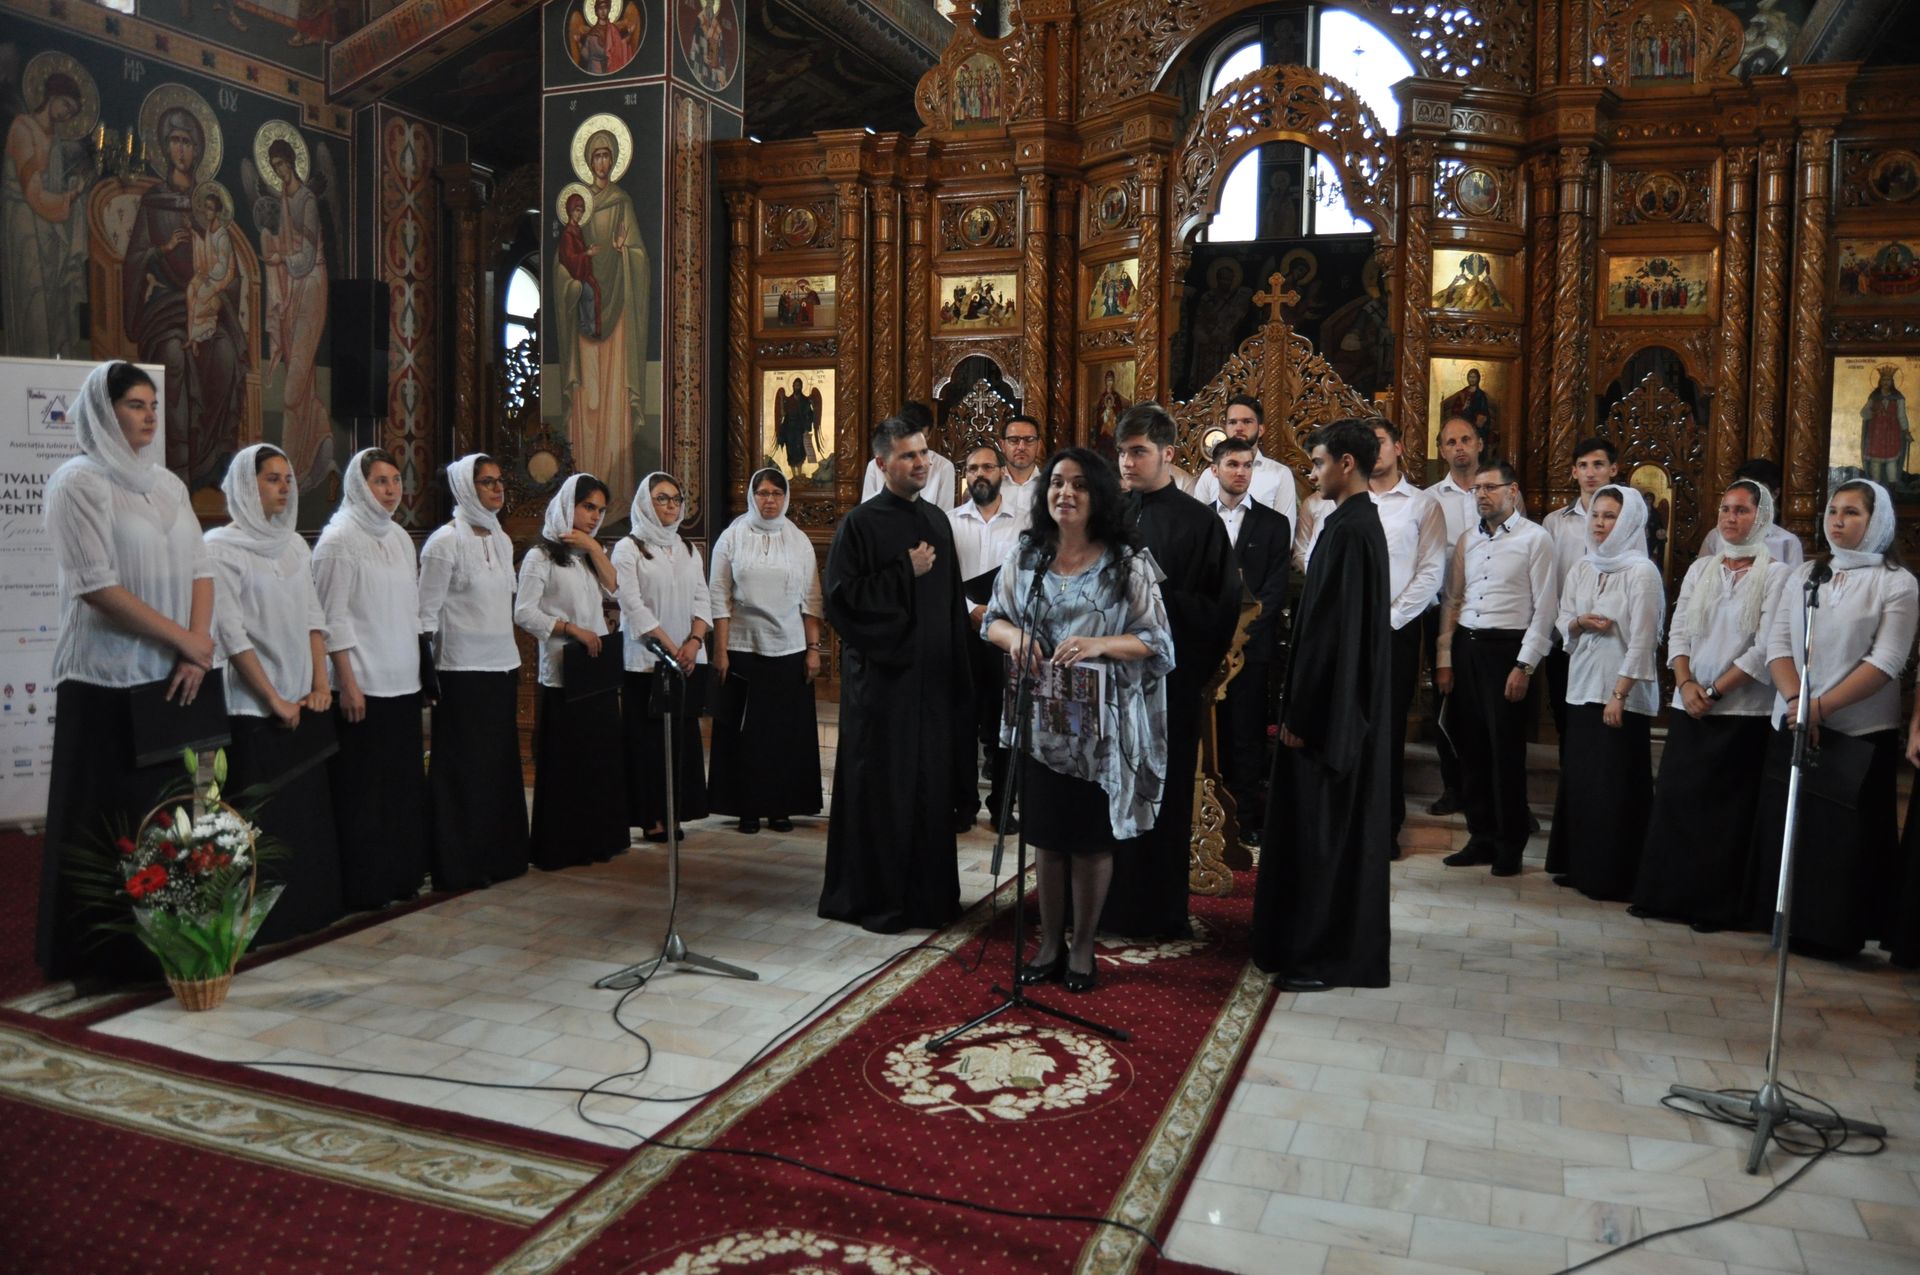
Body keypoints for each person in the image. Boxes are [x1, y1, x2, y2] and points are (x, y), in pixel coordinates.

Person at [38, 362, 216, 982]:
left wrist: (194, 645)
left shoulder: (166, 484)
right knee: (103, 820)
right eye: (135, 404)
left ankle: (159, 944)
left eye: (152, 404)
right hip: (104, 679)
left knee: (161, 818)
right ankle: (98, 958)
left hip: (167, 676)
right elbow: (97, 588)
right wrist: (189, 643)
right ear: (102, 411)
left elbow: (201, 567)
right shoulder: (76, 483)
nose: (148, 415)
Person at [984, 449, 1173, 993]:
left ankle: (1084, 946)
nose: (1065, 494)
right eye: (1057, 484)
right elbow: (992, 620)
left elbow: (1157, 641)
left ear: (1099, 497)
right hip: (1041, 720)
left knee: (1090, 840)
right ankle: (1047, 943)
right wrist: (1016, 637)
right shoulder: (1028, 555)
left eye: (1079, 486)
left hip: (1101, 726)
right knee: (1046, 835)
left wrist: (1099, 643)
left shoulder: (1126, 561)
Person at [1746, 479, 1919, 962]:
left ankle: (1838, 932)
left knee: (1843, 842)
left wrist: (1820, 708)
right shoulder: (1805, 574)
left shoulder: (1896, 583)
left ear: (1877, 521)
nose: (1838, 520)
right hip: (1797, 720)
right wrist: (1799, 701)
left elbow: (1886, 663)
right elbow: (1778, 643)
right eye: (1833, 511)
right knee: (1795, 828)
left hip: (1859, 730)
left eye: (1852, 513)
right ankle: (1787, 921)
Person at [1253, 419, 1392, 991]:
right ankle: (1307, 945)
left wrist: (1303, 719)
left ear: (1347, 465)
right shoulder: (1351, 524)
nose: (1313, 474)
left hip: (1328, 717)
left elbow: (1333, 636)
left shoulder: (1351, 531)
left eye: (1318, 464)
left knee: (1322, 836)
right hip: (1331, 709)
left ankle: (1319, 955)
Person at [819, 417, 971, 933]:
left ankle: (930, 901)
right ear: (883, 464)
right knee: (884, 791)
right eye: (909, 456)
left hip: (931, 687)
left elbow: (951, 605)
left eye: (924, 453)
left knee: (929, 788)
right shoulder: (860, 524)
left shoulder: (937, 521)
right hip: (883, 689)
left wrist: (957, 672)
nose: (921, 463)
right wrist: (903, 572)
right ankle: (876, 898)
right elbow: (842, 602)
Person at [1632, 480, 1790, 930]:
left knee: (1725, 814)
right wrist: (1685, 684)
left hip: (1742, 711)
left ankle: (1712, 906)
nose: (1730, 518)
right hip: (1690, 704)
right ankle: (1665, 896)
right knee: (1679, 804)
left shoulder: (1777, 574)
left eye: (1741, 510)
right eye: (1724, 509)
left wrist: (1716, 690)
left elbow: (1765, 647)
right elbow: (1679, 631)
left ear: (1760, 517)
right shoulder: (1703, 568)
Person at [1109, 403, 1240, 937]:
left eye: (1137, 452)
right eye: (1121, 452)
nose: (1126, 463)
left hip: (1167, 684)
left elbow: (1220, 607)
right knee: (1109, 793)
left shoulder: (1199, 521)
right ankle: (1103, 904)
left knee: (1159, 798)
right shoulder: (1109, 514)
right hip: (1109, 684)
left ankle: (1156, 912)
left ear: (1166, 454)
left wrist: (1156, 598)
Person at [206, 444, 343, 943]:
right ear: (245, 485)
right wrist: (273, 700)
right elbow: (231, 634)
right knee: (262, 820)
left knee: (304, 816)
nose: (285, 487)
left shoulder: (294, 546)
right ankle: (262, 923)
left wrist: (321, 683)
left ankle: (309, 909)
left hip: (303, 698)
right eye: (272, 479)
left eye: (288, 478)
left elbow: (313, 618)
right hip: (253, 706)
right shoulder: (220, 547)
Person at [312, 448, 433, 910]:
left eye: (395, 481)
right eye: (380, 482)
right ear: (359, 486)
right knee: (364, 792)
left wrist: (421, 675)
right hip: (361, 685)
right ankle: (365, 885)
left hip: (402, 681)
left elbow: (409, 612)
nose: (390, 491)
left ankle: (400, 875)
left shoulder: (400, 538)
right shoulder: (339, 540)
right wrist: (348, 682)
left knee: (401, 788)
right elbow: (330, 620)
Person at [1436, 459, 1557, 877]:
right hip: (1468, 647)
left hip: (1507, 651)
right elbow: (1453, 600)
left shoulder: (1535, 539)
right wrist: (1446, 659)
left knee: (1505, 753)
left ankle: (1510, 843)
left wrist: (1524, 665)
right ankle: (1480, 836)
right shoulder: (1469, 539)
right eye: (1477, 489)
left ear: (1513, 490)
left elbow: (1546, 609)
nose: (1483, 495)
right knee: (1470, 750)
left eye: (1491, 487)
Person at [1546, 485, 1665, 901]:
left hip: (1620, 695)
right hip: (1581, 687)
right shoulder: (1583, 566)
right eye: (1596, 515)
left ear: (1630, 520)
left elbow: (1644, 640)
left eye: (1610, 516)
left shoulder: (1642, 572)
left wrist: (1619, 693)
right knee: (1584, 783)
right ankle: (1581, 866)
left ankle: (1614, 875)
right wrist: (1579, 622)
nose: (1599, 524)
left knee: (1615, 787)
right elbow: (1562, 621)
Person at [418, 454, 529, 891]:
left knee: (498, 767)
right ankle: (460, 863)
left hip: (502, 667)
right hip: (460, 670)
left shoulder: (502, 540)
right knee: (464, 769)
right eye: (487, 483)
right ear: (466, 487)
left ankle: (500, 856)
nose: (497, 489)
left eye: (500, 481)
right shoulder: (443, 542)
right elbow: (424, 617)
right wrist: (427, 678)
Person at [516, 474, 630, 869]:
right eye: (587, 507)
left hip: (596, 667)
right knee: (568, 761)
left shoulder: (587, 555)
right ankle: (563, 845)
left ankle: (599, 839)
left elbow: (617, 591)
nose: (595, 516)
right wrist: (570, 629)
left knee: (598, 758)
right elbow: (524, 612)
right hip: (565, 667)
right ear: (568, 505)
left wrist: (593, 547)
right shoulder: (540, 557)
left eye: (600, 509)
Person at [708, 468, 825, 834]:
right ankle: (747, 807)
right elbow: (719, 596)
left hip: (789, 649)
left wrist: (813, 649)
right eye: (762, 492)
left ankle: (781, 807)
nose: (769, 499)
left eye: (776, 492)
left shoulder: (799, 540)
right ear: (752, 496)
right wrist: (721, 650)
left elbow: (812, 599)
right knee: (745, 736)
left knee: (784, 735)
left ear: (786, 497)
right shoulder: (732, 537)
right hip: (743, 647)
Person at [615, 471, 712, 842]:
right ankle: (651, 817)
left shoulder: (688, 549)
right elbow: (632, 604)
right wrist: (670, 647)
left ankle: (676, 813)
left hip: (685, 660)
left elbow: (703, 599)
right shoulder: (629, 547)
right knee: (648, 743)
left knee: (682, 741)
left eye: (676, 499)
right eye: (662, 498)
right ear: (645, 502)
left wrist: (694, 641)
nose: (671, 506)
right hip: (644, 661)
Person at [1367, 421, 1448, 856]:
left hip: (1395, 632)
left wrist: (1391, 618)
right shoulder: (1347, 499)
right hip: (1349, 630)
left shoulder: (1422, 504)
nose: (1373, 451)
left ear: (1398, 447)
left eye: (1379, 442)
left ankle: (1385, 828)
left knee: (1387, 730)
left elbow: (1431, 571)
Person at [1206, 436, 1290, 842]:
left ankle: (1245, 822)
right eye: (1233, 464)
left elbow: (1274, 590)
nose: (1241, 472)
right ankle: (1205, 817)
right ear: (1214, 470)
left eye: (1247, 465)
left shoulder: (1274, 524)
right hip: (1205, 650)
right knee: (1209, 734)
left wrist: (1240, 637)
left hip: (1252, 650)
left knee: (1247, 734)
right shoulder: (1199, 518)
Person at [950, 444, 1024, 832]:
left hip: (1007, 635)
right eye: (973, 467)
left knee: (1005, 723)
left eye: (988, 467)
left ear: (1002, 472)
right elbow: (941, 579)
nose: (981, 473)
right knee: (961, 721)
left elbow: (1028, 578)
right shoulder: (948, 521)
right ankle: (962, 804)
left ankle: (1002, 805)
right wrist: (969, 608)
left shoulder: (1025, 524)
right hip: (961, 633)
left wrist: (996, 612)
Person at [1424, 415, 1483, 816]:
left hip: (1490, 613)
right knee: (1445, 696)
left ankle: (1486, 786)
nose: (1459, 447)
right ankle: (1452, 786)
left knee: (1485, 701)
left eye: (1466, 439)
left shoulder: (1498, 488)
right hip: (1443, 611)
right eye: (1451, 442)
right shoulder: (1430, 499)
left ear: (1479, 444)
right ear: (1442, 450)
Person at [1541, 438, 1619, 737]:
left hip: (1609, 632)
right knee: (1565, 714)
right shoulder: (1555, 522)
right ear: (1573, 472)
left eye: (1598, 465)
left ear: (1613, 469)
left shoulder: (1627, 520)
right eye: (1583, 466)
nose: (1590, 473)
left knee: (1601, 718)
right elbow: (1549, 581)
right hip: (1566, 632)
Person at [1190, 394, 1301, 532]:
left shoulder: (1280, 474)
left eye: (1247, 421)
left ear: (1260, 430)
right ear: (1225, 428)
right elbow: (1196, 526)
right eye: (1232, 422)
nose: (1239, 428)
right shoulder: (1209, 475)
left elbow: (1284, 533)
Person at [1695, 458, 1804, 566]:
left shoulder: (1788, 542)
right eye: (1743, 487)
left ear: (1775, 493)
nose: (1748, 495)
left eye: (1757, 490)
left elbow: (1793, 582)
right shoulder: (1716, 536)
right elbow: (1700, 576)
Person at [860, 400, 959, 509]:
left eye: (922, 437)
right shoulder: (876, 465)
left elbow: (944, 514)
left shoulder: (944, 467)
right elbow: (867, 510)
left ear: (929, 434)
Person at [998, 415, 1044, 523]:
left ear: (1039, 445)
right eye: (1014, 440)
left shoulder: (1050, 484)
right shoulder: (991, 485)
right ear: (1002, 445)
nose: (1021, 447)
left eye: (1029, 440)